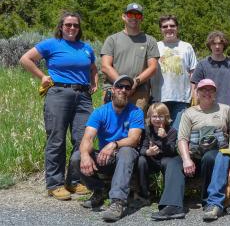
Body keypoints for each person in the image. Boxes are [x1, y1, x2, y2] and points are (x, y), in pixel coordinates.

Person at [19, 12, 97, 200]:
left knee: (82, 138)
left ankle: (75, 181)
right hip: (59, 93)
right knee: (56, 139)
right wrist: (43, 76)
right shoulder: (51, 44)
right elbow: (25, 59)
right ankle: (54, 184)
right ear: (61, 27)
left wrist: (94, 82)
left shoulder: (86, 48)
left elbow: (93, 67)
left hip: (83, 96)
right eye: (68, 25)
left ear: (79, 29)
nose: (72, 28)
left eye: (75, 25)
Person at [150, 78, 230, 221]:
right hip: (194, 156)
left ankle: (209, 201)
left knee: (211, 157)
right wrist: (186, 159)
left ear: (215, 93)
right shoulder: (188, 113)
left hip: (217, 155)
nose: (207, 93)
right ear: (197, 92)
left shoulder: (225, 109)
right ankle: (173, 206)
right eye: (203, 90)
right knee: (174, 163)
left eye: (211, 90)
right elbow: (182, 138)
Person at [71, 75, 144, 222]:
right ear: (112, 89)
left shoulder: (136, 112)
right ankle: (98, 190)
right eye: (120, 87)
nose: (123, 90)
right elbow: (88, 138)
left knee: (126, 151)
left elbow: (134, 139)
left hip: (127, 158)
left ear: (130, 92)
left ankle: (117, 202)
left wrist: (114, 144)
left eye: (127, 88)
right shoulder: (100, 112)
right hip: (105, 158)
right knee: (77, 157)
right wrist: (85, 155)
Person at [101, 2, 160, 112]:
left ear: (141, 18)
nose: (134, 18)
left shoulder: (150, 41)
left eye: (137, 15)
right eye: (130, 15)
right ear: (123, 16)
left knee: (134, 126)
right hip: (113, 89)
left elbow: (153, 68)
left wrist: (134, 83)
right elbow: (105, 66)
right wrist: (123, 85)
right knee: (110, 125)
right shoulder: (112, 39)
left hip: (139, 92)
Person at [150, 15, 197, 126]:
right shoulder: (155, 47)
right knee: (160, 132)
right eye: (165, 26)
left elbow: (193, 72)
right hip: (159, 97)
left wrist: (194, 93)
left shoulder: (187, 47)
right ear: (161, 29)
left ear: (177, 27)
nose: (169, 28)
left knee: (177, 133)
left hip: (182, 98)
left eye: (172, 25)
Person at [135, 102, 177, 207]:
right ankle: (144, 195)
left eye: (160, 117)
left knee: (168, 162)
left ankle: (167, 196)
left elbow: (172, 151)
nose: (157, 119)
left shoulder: (172, 131)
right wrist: (148, 152)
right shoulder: (147, 129)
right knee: (141, 160)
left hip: (165, 159)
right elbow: (142, 148)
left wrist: (164, 138)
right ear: (150, 117)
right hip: (151, 160)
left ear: (166, 117)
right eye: (154, 116)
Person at [191, 31, 230, 108]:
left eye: (220, 43)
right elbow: (196, 88)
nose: (217, 46)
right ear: (210, 45)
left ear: (224, 45)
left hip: (227, 108)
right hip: (207, 108)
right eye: (214, 44)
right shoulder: (201, 65)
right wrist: (196, 108)